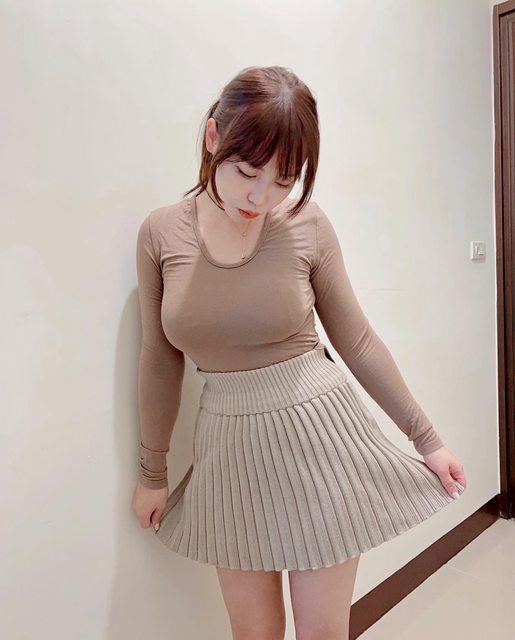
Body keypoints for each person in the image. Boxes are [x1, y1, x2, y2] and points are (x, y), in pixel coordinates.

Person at [131, 65, 467, 640]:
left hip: (322, 439)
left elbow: (357, 340)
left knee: (321, 634)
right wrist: (152, 472)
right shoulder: (161, 233)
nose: (260, 197)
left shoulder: (306, 224)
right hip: (229, 452)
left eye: (283, 181)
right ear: (213, 138)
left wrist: (427, 440)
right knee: (253, 633)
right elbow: (160, 358)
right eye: (247, 172)